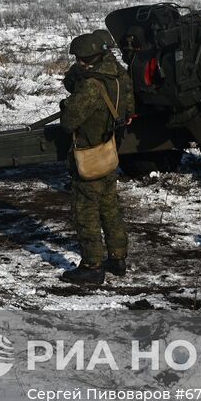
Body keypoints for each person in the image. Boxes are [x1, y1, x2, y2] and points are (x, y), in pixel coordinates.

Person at [59, 32, 135, 285]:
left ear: (85, 59)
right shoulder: (116, 75)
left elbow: (69, 123)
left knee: (86, 213)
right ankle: (118, 257)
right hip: (108, 150)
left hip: (89, 154)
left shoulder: (91, 86)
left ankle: (92, 267)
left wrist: (66, 106)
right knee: (110, 207)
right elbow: (129, 108)